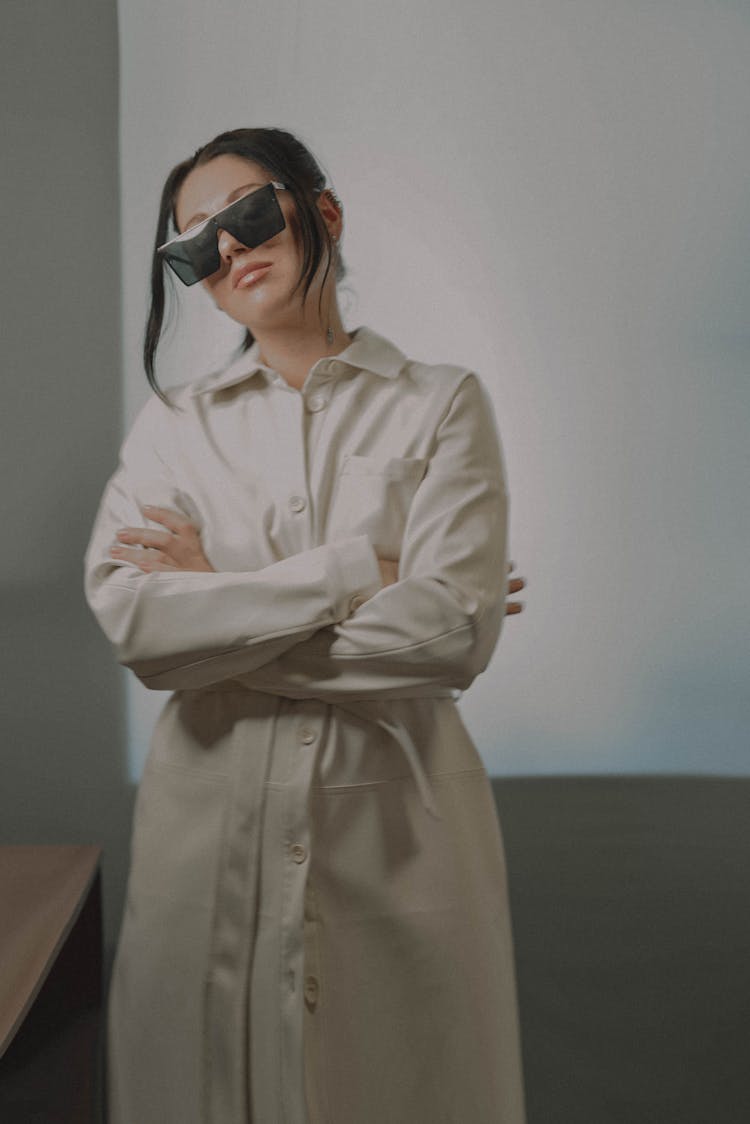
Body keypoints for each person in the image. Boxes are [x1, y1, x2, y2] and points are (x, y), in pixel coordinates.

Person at [84, 126, 528, 1124]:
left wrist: (221, 606)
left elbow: (452, 634)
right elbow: (138, 624)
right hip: (204, 841)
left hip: (397, 838)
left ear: (320, 210)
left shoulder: (441, 406)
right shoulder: (173, 427)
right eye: (193, 245)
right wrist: (346, 577)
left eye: (246, 214)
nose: (228, 249)